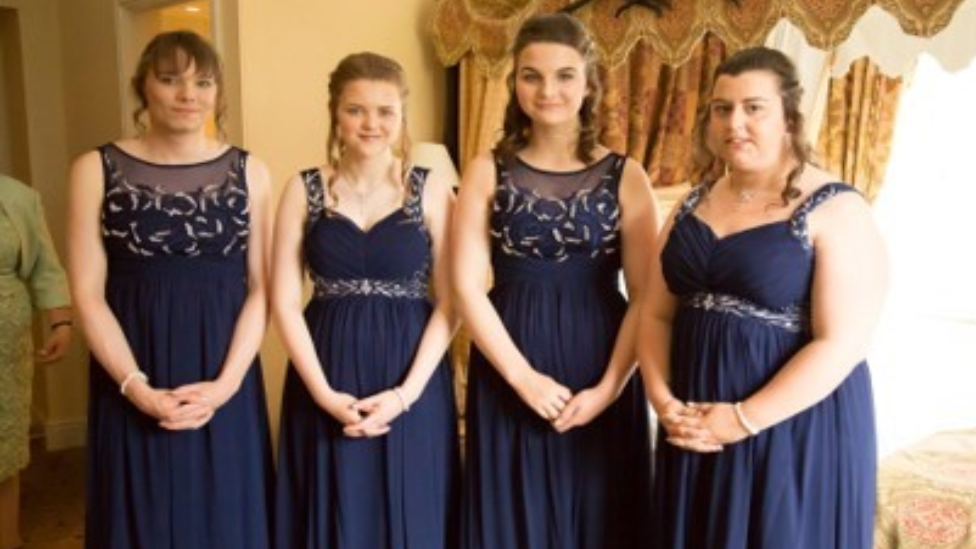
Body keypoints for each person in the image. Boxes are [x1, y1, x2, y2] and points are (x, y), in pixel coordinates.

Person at [637, 46, 888, 549]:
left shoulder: (837, 208)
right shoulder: (692, 201)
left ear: (789, 118)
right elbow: (655, 313)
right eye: (722, 108)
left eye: (754, 108)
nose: (735, 123)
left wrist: (745, 418)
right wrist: (664, 403)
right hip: (695, 424)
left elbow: (841, 345)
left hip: (790, 427)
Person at [452, 13, 659, 549]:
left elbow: (648, 299)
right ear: (514, 82)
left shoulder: (626, 175)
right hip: (509, 365)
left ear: (589, 82)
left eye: (565, 75)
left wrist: (610, 389)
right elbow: (467, 289)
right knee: (513, 516)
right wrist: (523, 379)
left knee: (601, 513)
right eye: (531, 75)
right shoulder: (486, 170)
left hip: (601, 363)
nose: (548, 90)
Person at [66, 31, 273, 549]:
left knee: (225, 515)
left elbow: (264, 289)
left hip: (223, 374)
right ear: (143, 88)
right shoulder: (95, 169)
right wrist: (136, 387)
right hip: (131, 368)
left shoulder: (252, 172)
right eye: (169, 79)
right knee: (140, 516)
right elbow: (87, 294)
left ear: (217, 92)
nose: (188, 95)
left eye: (202, 82)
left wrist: (225, 387)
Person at [272, 52, 460, 549]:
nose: (371, 123)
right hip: (325, 372)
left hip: (412, 378)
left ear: (402, 117)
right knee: (329, 508)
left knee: (413, 509)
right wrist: (322, 393)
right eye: (356, 109)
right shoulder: (303, 188)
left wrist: (406, 394)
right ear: (335, 112)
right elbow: (284, 300)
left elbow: (452, 302)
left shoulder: (432, 188)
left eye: (385, 111)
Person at [0, 173, 72, 549]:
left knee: (3, 451)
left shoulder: (17, 197)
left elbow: (46, 267)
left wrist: (60, 320)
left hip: (5, 346)